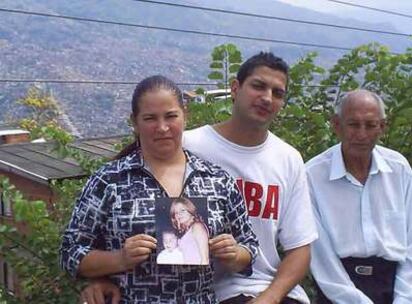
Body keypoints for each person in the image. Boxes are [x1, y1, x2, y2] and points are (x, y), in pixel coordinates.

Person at [81, 52, 318, 304]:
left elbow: (299, 247)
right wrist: (102, 275)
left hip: (267, 288)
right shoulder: (183, 144)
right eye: (258, 86)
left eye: (277, 92)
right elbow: (111, 217)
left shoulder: (288, 159)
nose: (266, 98)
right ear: (235, 88)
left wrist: (268, 297)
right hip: (209, 290)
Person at [59, 75, 258, 304]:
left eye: (171, 116)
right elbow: (70, 253)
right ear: (135, 122)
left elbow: (249, 247)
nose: (162, 127)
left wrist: (233, 254)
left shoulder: (216, 180)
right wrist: (119, 259)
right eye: (150, 118)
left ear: (185, 116)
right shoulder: (109, 181)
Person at [306, 89, 412, 303]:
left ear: (382, 127)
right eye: (353, 124)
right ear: (337, 125)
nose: (362, 134)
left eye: (371, 125)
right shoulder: (312, 175)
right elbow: (321, 258)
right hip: (338, 290)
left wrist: (404, 299)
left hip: (397, 285)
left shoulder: (399, 170)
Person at [170, 197, 209, 265]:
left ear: (190, 210)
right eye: (176, 213)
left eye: (182, 210)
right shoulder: (187, 230)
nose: (179, 214)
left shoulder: (197, 227)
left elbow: (205, 259)